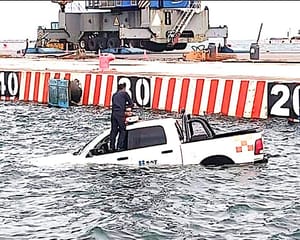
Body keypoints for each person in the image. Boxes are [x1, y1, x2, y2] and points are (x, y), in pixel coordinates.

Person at [109, 83, 134, 152]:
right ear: (124, 88)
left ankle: (111, 147)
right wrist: (127, 109)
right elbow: (131, 104)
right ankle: (120, 147)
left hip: (113, 114)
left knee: (113, 131)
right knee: (122, 130)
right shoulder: (124, 93)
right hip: (120, 114)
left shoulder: (114, 95)